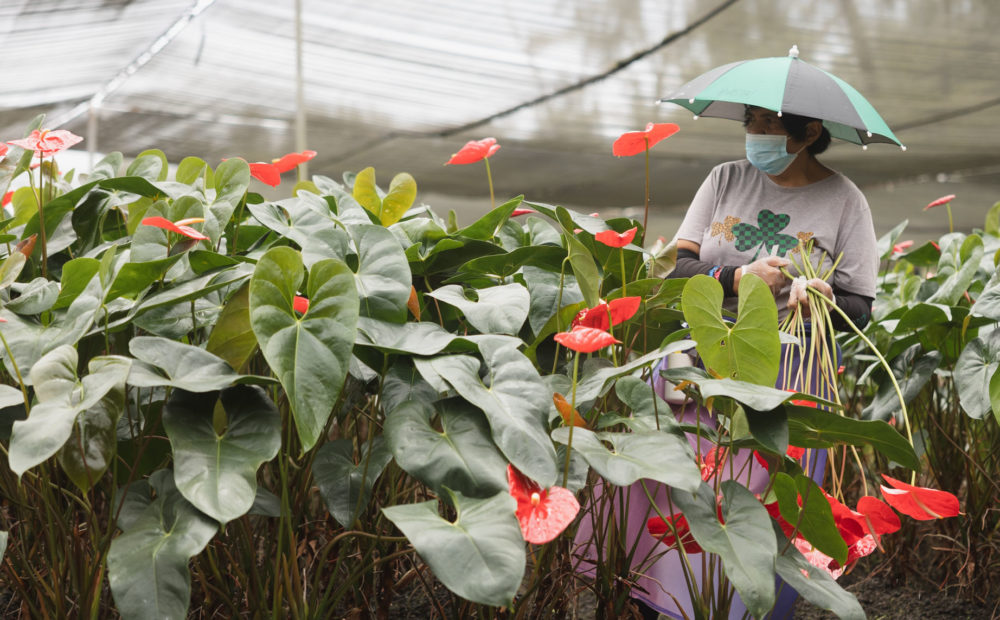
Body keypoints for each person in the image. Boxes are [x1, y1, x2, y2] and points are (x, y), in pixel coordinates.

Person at [633, 105, 879, 619]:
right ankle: (671, 608)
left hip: (789, 374)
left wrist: (824, 296)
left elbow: (861, 307)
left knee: (762, 507)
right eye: (750, 124)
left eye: (768, 127)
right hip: (703, 359)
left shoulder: (845, 200)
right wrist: (737, 278)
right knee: (688, 495)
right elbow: (679, 269)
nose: (755, 136)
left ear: (810, 131)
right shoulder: (724, 179)